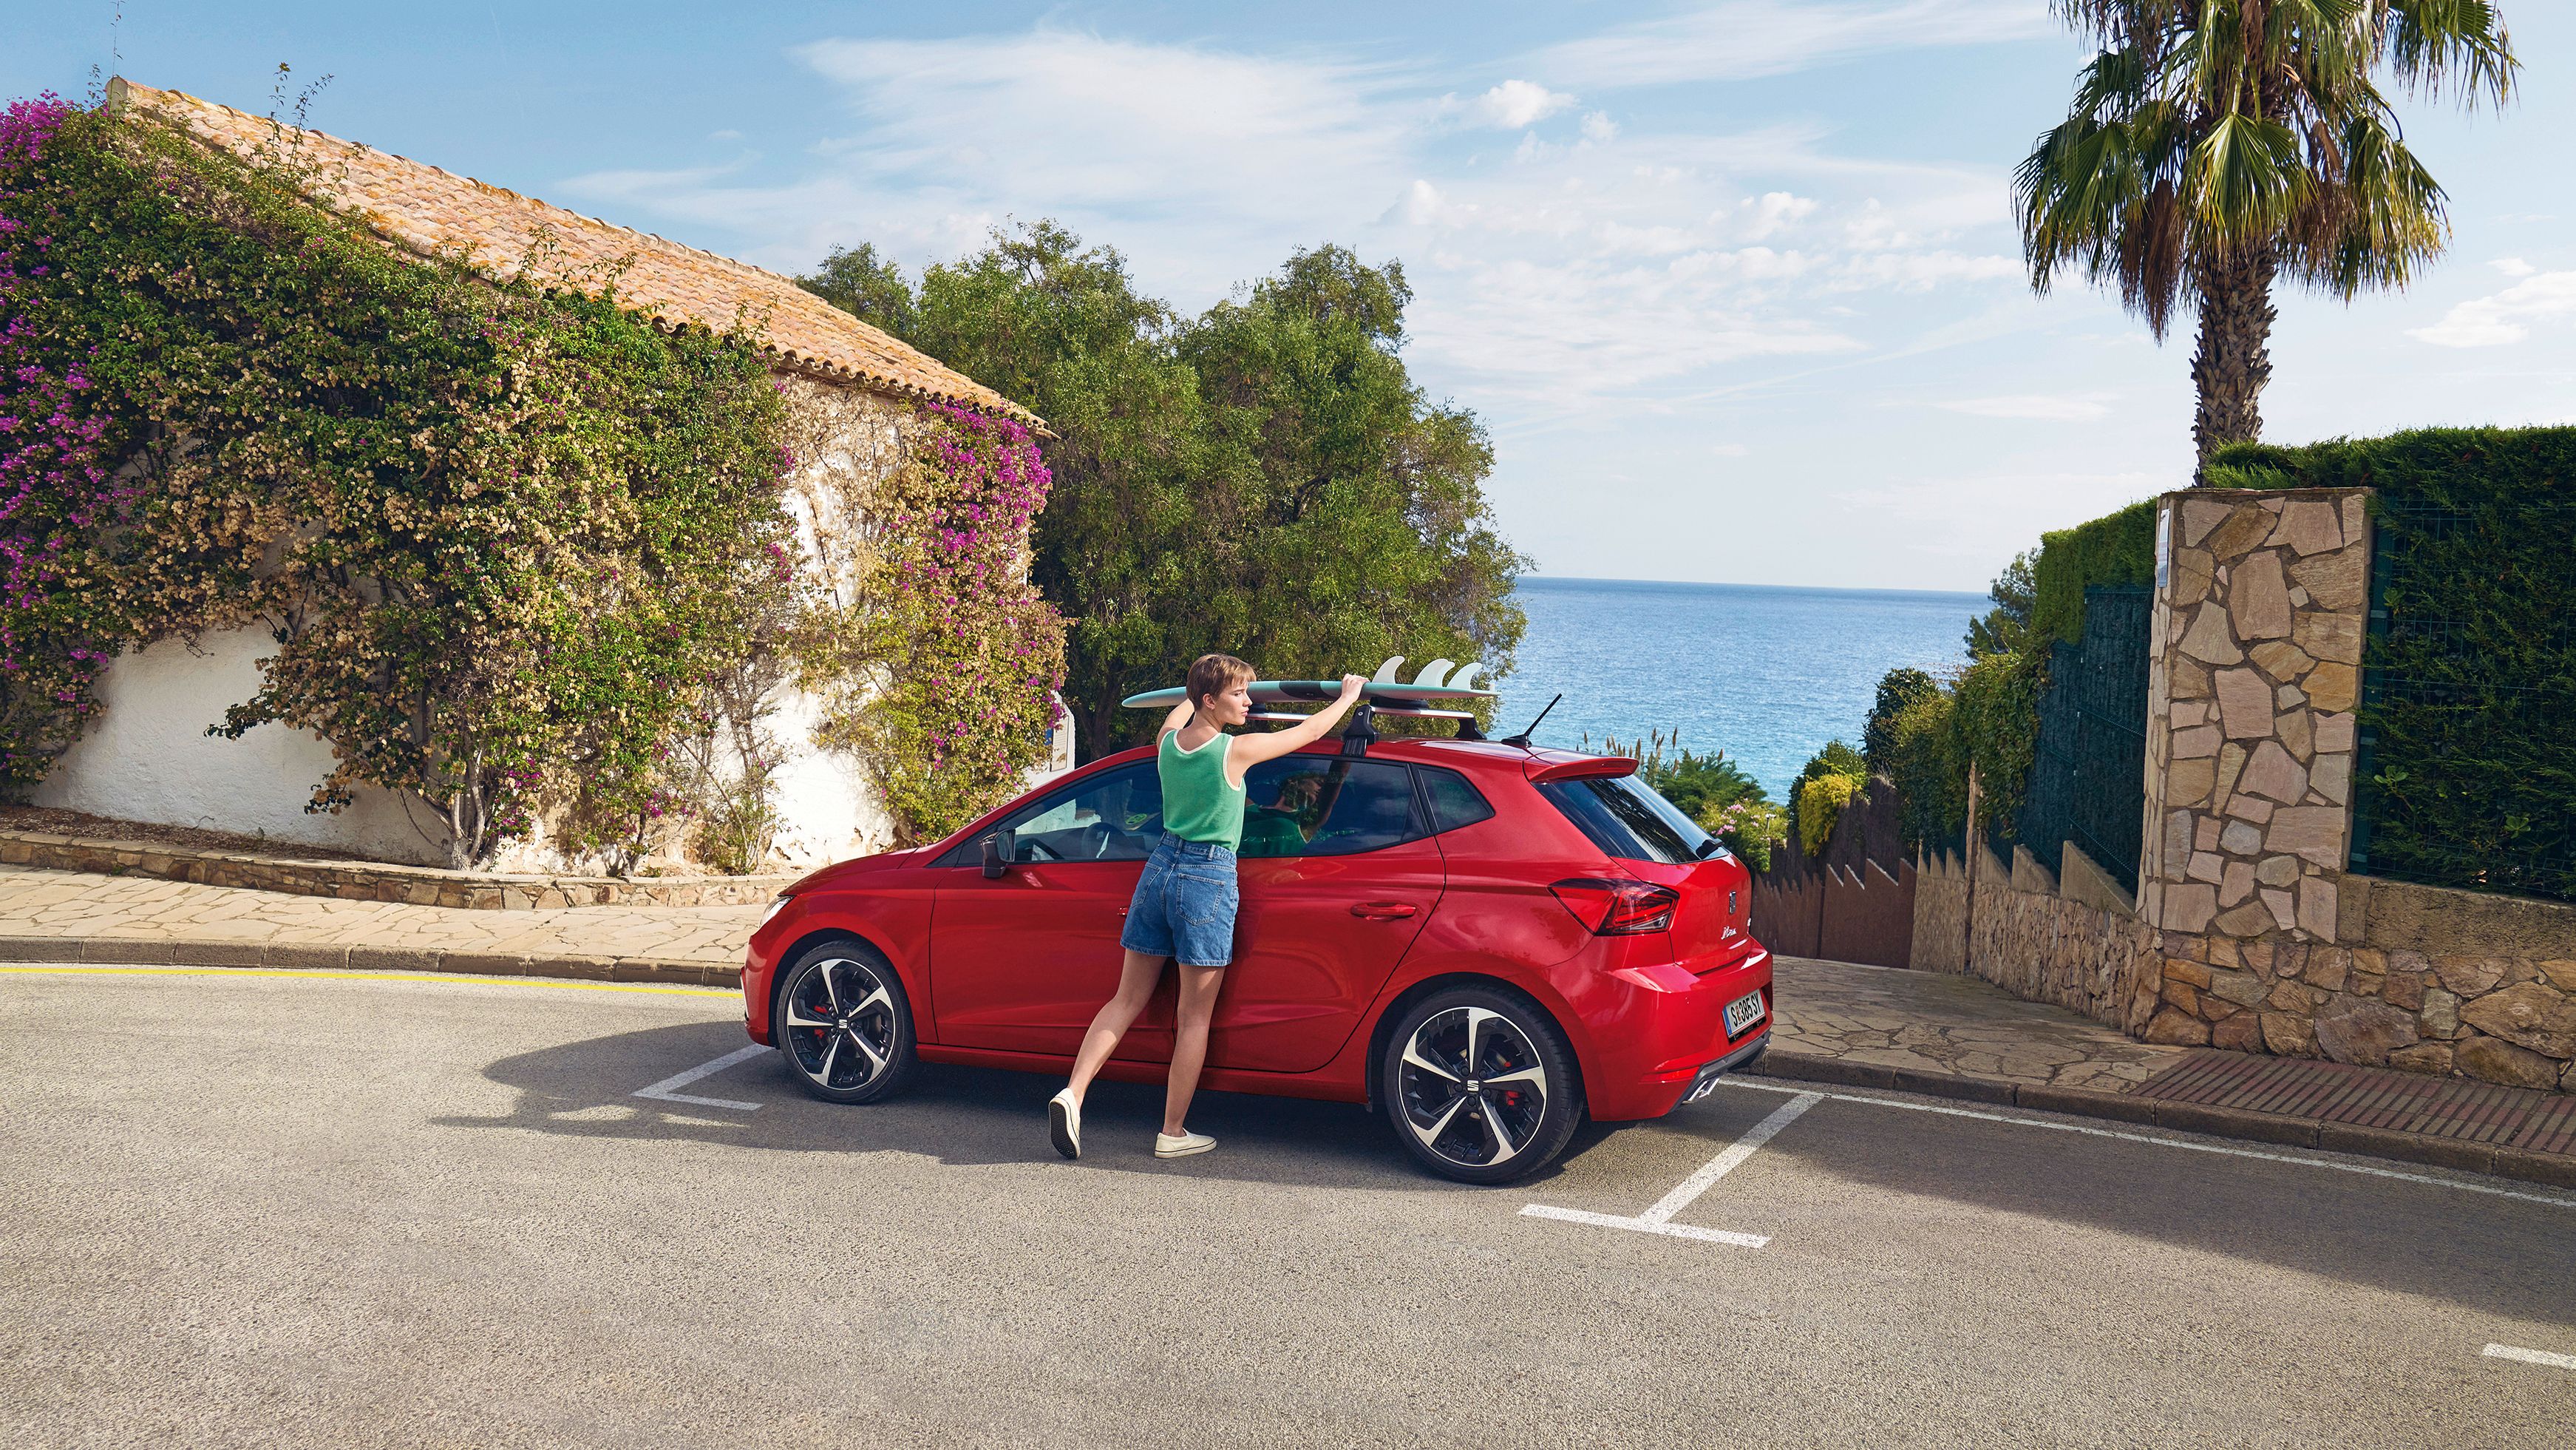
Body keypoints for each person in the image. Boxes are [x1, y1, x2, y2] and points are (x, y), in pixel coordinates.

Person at [1048, 655, 1368, 1161]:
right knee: (1193, 1017)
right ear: (1210, 701)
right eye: (1240, 694)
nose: (1249, 702)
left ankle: (1073, 1093)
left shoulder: (1168, 746)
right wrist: (1348, 698)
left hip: (1158, 870)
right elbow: (1307, 733)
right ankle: (1172, 1132)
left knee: (1125, 999)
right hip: (1207, 877)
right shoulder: (1234, 752)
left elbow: (1174, 716)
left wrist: (1201, 687)